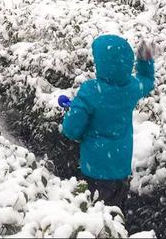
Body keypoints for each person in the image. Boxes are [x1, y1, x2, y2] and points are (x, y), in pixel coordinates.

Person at [60, 35, 156, 213]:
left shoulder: (90, 91)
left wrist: (72, 115)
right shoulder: (131, 88)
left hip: (94, 167)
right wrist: (146, 61)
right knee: (115, 210)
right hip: (120, 166)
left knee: (94, 210)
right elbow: (147, 81)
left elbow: (71, 129)